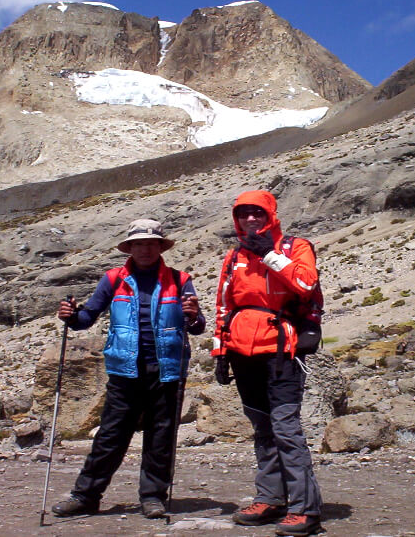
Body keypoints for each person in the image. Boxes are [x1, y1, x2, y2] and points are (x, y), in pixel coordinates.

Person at [51, 218, 204, 520]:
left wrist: (195, 316)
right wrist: (70, 316)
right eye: (139, 243)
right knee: (111, 435)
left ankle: (153, 498)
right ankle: (86, 496)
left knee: (161, 437)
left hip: (167, 370)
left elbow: (196, 327)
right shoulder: (112, 279)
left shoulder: (180, 279)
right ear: (130, 247)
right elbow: (86, 319)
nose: (145, 249)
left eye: (150, 243)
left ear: (161, 246)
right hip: (125, 371)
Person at [212, 190, 324, 536]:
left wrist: (271, 256)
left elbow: (306, 283)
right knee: (262, 429)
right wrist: (219, 352)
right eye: (243, 214)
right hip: (242, 353)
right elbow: (223, 306)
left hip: (281, 351)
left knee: (286, 428)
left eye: (256, 213)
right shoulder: (233, 257)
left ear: (270, 215)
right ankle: (270, 497)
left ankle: (305, 509)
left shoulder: (295, 247)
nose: (249, 219)